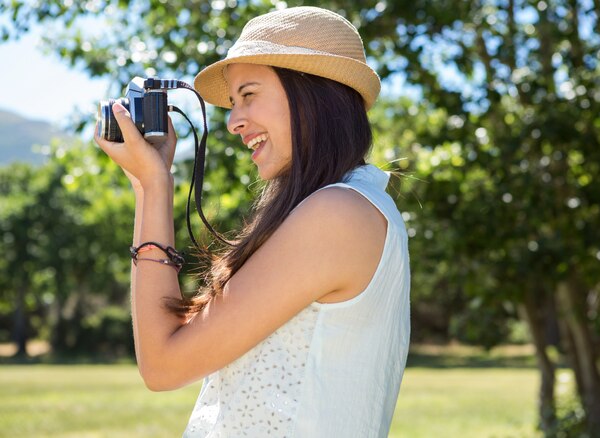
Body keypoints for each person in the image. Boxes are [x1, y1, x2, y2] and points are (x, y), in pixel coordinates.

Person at [94, 6, 410, 437]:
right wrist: (149, 186)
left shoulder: (338, 215)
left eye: (249, 94)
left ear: (312, 95)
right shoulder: (348, 207)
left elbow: (163, 365)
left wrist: (154, 188)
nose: (232, 121)